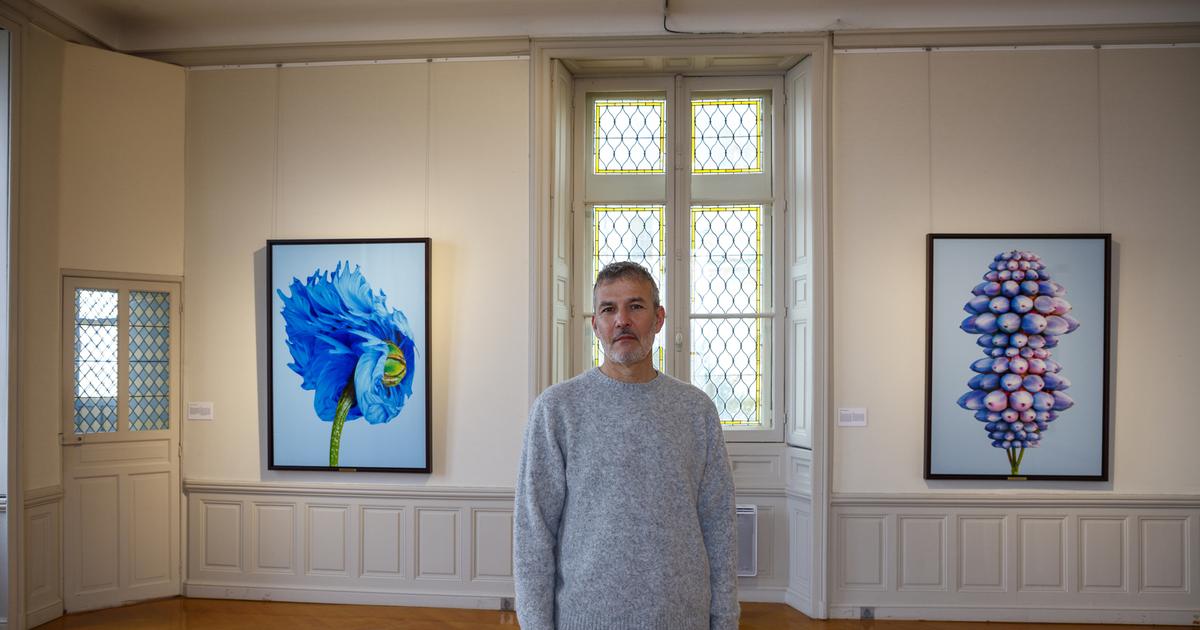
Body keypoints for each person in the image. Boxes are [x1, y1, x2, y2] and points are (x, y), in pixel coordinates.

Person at [513, 261, 739, 630]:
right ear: (596, 325)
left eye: (635, 306)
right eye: (608, 309)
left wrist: (725, 619)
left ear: (659, 318)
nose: (622, 320)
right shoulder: (557, 410)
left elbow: (719, 526)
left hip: (682, 617)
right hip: (584, 619)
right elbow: (533, 533)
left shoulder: (696, 410)